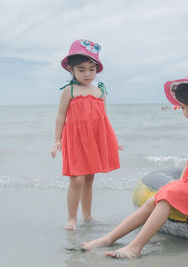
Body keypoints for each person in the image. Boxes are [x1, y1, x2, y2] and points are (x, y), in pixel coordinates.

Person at [81, 70, 188, 258]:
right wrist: (181, 182)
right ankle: (108, 238)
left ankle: (134, 248)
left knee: (167, 197)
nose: (186, 113)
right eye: (183, 108)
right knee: (154, 198)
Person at [51, 39, 122, 230]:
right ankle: (71, 218)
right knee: (77, 178)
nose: (87, 74)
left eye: (91, 69)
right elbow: (60, 116)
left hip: (94, 139)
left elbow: (104, 118)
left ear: (97, 69)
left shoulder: (100, 91)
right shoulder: (69, 90)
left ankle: (88, 215)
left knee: (90, 178)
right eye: (81, 69)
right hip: (75, 139)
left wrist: (112, 140)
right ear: (71, 70)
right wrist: (57, 140)